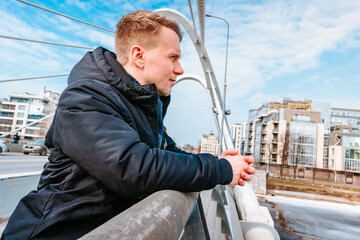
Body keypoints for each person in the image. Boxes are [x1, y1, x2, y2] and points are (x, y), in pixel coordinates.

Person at [1, 10, 255, 240]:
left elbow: (168, 154)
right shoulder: (84, 99)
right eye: (173, 57)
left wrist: (219, 162)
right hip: (52, 232)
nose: (180, 69)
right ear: (138, 55)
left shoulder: (141, 106)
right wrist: (220, 170)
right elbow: (133, 169)